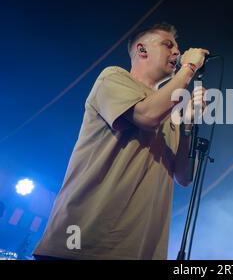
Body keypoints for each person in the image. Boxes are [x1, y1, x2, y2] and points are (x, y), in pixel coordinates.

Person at [33, 23, 209, 260]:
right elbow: (146, 115)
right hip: (83, 247)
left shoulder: (169, 111)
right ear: (142, 50)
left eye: (177, 48)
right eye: (168, 45)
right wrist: (188, 68)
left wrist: (188, 122)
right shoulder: (113, 77)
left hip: (141, 251)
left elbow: (183, 176)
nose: (177, 52)